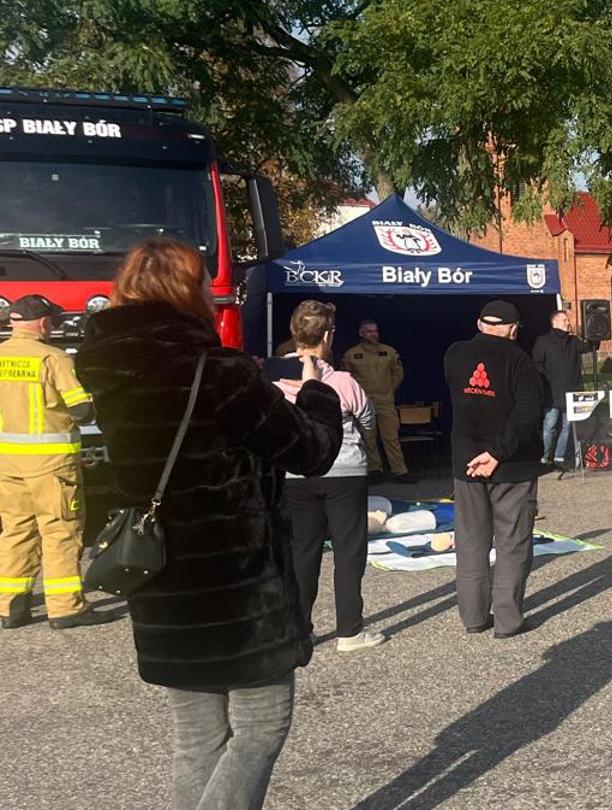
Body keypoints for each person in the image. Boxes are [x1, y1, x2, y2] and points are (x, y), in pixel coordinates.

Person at [75, 238, 342, 810]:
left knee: (198, 736)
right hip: (237, 585)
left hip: (163, 581)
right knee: (262, 725)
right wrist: (318, 390)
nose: (209, 292)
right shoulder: (217, 369)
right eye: (202, 283)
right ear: (185, 292)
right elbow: (308, 450)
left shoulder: (105, 370)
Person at [275, 300, 385, 652]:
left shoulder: (274, 379)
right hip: (345, 472)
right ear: (327, 337)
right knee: (348, 550)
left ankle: (300, 629)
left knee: (302, 552)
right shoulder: (343, 380)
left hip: (295, 474)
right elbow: (368, 419)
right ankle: (350, 631)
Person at [0, 295, 116, 630]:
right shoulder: (54, 359)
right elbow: (81, 410)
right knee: (60, 531)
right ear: (42, 322)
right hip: (50, 465)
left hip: (7, 464)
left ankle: (10, 607)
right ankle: (66, 608)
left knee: (16, 529)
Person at [443, 300, 544, 637]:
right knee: (512, 543)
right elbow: (527, 416)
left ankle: (473, 617)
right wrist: (498, 453)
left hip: (466, 463)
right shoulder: (521, 362)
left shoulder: (455, 354)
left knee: (471, 542)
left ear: (479, 323)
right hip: (511, 467)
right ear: (514, 329)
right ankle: (508, 620)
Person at [342, 318, 412, 483]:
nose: (373, 334)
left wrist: (388, 391)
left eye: (375, 331)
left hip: (385, 401)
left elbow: (398, 374)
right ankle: (374, 470)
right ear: (361, 333)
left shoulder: (389, 352)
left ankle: (400, 471)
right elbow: (347, 377)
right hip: (364, 403)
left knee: (391, 437)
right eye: (369, 331)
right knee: (368, 438)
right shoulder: (351, 355)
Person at [531, 309, 599, 471]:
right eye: (564, 320)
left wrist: (595, 330)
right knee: (550, 426)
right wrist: (547, 377)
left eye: (567, 320)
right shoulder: (543, 341)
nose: (568, 323)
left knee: (567, 427)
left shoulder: (573, 341)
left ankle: (559, 457)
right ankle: (545, 457)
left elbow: (590, 347)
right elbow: (536, 363)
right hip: (552, 392)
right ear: (555, 322)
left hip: (571, 392)